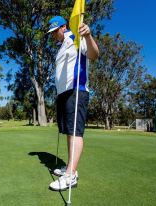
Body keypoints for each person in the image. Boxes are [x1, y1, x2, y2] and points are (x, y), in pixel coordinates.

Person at [47, 16, 99, 191]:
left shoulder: (76, 37)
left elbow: (94, 54)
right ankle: (70, 168)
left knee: (75, 131)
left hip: (77, 90)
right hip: (63, 93)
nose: (53, 35)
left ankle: (71, 175)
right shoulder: (61, 46)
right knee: (69, 131)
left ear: (64, 26)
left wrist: (88, 35)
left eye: (55, 31)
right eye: (51, 33)